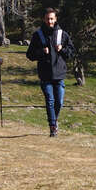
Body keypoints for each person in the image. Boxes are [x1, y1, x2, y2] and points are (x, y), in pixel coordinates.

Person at [26, 8, 75, 136]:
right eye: (48, 19)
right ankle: (52, 126)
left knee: (59, 102)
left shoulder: (62, 34)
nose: (50, 21)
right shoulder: (38, 35)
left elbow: (71, 53)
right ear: (44, 19)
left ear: (56, 19)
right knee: (50, 100)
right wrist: (41, 52)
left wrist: (62, 49)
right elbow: (29, 55)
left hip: (59, 75)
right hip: (45, 75)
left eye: (52, 18)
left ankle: (55, 120)